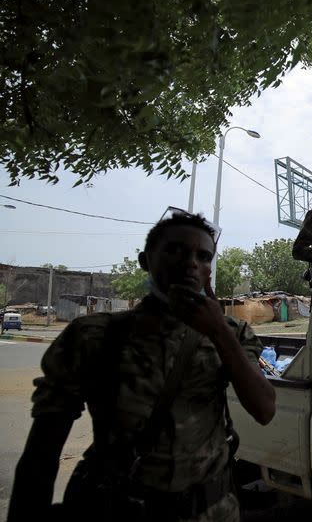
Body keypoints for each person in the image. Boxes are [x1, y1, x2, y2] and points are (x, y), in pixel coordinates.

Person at [8, 209, 276, 522]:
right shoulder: (94, 334)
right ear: (146, 260)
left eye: (203, 256)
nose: (191, 262)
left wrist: (218, 331)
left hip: (212, 510)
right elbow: (43, 449)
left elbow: (264, 409)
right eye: (176, 250)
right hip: (116, 508)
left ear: (208, 272)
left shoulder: (232, 333)